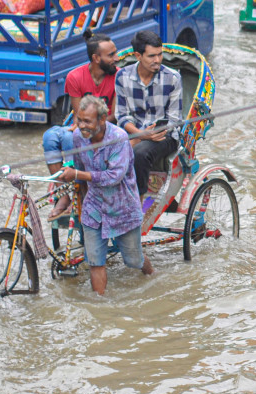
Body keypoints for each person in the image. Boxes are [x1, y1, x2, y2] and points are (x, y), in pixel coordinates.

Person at [57, 95, 153, 295]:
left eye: (87, 121)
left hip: (123, 207)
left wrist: (77, 174)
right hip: (94, 209)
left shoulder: (118, 138)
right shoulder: (77, 137)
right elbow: (79, 167)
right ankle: (100, 308)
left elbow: (114, 177)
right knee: (95, 261)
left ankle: (151, 274)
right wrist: (80, 197)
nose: (82, 126)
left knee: (133, 260)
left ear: (101, 120)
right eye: (79, 120)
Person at [42, 30, 118, 217]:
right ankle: (65, 192)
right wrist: (84, 124)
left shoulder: (119, 77)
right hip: (84, 125)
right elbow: (78, 116)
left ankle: (80, 195)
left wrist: (91, 125)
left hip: (107, 128)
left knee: (75, 137)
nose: (117, 58)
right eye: (111, 55)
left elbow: (114, 115)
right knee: (51, 136)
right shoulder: (75, 77)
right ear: (96, 58)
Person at [115, 30, 183, 197]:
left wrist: (148, 135)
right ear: (138, 55)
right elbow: (122, 116)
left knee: (139, 153)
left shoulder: (172, 78)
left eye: (160, 54)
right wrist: (141, 135)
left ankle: (137, 198)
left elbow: (174, 120)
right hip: (134, 131)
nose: (157, 60)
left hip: (164, 136)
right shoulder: (122, 76)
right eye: (152, 56)